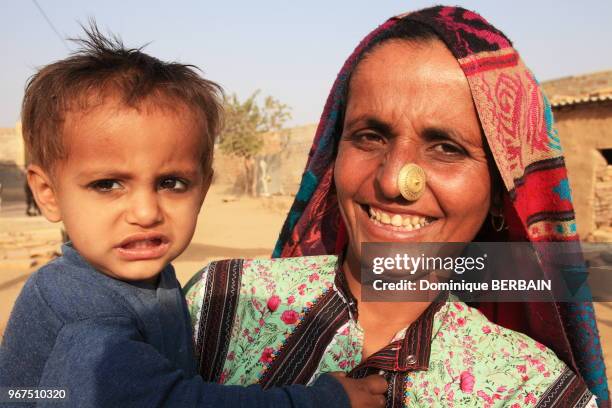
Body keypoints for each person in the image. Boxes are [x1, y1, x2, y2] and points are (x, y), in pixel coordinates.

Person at [186, 6, 608, 407]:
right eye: (370, 136)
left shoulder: (530, 391)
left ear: (500, 192)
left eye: (446, 147)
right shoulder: (221, 301)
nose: (393, 181)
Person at [0, 27, 388, 408]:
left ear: (202, 189)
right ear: (47, 194)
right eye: (107, 185)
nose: (146, 212)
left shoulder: (140, 274)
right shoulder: (86, 323)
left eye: (171, 183)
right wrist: (322, 400)